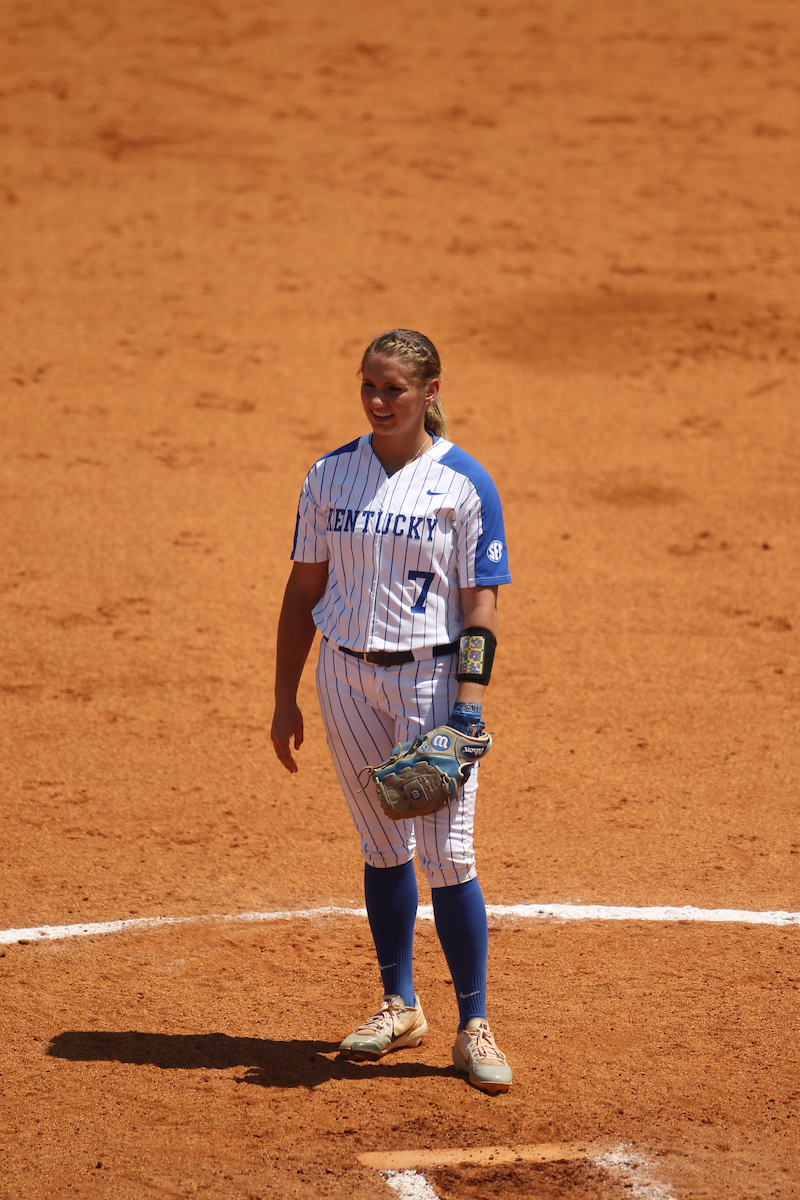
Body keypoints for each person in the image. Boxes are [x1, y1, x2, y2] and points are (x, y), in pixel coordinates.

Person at [270, 329, 513, 1094]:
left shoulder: (465, 484)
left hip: (431, 686)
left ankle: (473, 1025)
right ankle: (400, 1005)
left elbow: (482, 606)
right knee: (382, 847)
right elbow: (304, 592)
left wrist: (468, 707)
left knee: (449, 857)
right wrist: (283, 695)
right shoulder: (329, 476)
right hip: (344, 678)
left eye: (394, 390)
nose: (378, 401)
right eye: (369, 387)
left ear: (430, 393)